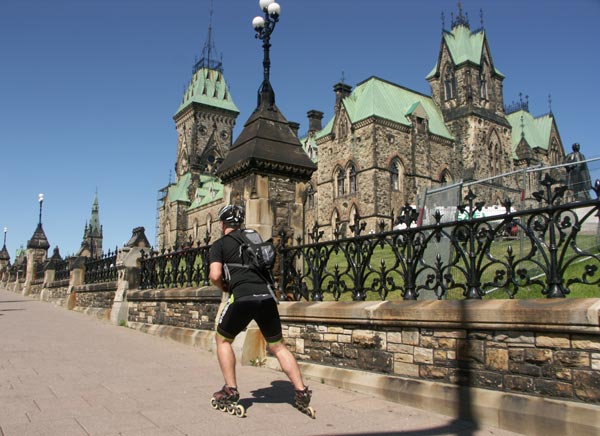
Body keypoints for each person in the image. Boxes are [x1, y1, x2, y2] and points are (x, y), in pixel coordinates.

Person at [208, 204, 313, 414]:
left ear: (222, 224)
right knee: (278, 346)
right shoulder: (254, 239)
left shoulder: (219, 245)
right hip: (266, 296)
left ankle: (230, 389)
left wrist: (225, 288)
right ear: (240, 223)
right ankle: (301, 391)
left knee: (223, 340)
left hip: (242, 297)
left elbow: (215, 276)